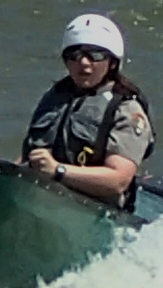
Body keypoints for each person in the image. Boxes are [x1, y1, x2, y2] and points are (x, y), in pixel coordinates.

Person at [21, 12, 152, 209]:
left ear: (112, 63)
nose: (83, 63)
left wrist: (58, 171)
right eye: (75, 55)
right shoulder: (54, 99)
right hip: (44, 200)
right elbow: (29, 155)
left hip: (92, 210)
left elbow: (118, 180)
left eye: (95, 55)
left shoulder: (126, 110)